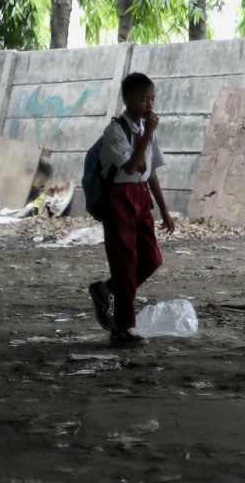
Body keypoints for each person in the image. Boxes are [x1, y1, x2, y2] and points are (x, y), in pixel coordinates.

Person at [87, 72, 175, 348]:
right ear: (127, 101)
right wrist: (147, 134)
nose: (150, 105)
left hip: (140, 196)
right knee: (125, 263)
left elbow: (149, 171)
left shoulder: (146, 131)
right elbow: (129, 167)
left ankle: (108, 290)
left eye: (152, 99)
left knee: (151, 258)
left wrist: (164, 209)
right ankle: (120, 330)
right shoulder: (115, 131)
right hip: (119, 198)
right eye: (143, 100)